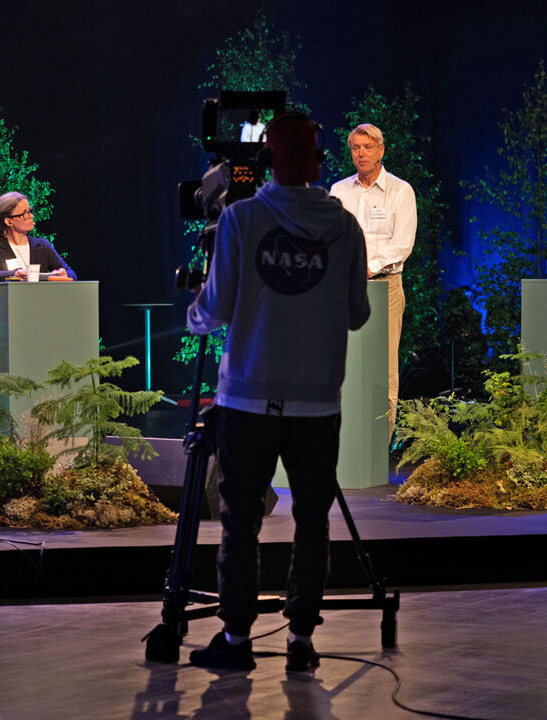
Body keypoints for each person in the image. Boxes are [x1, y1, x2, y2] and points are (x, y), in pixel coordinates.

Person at [185, 113, 370, 673]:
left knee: (241, 521)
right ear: (319, 159)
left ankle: (236, 640)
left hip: (247, 400)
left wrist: (193, 314)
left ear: (267, 159)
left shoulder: (240, 219)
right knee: (312, 520)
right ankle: (301, 642)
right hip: (318, 403)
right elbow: (358, 314)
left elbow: (215, 309)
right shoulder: (345, 228)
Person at [328, 123, 416, 436]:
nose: (361, 153)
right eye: (356, 148)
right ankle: (342, 442)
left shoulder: (401, 191)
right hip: (342, 290)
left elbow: (403, 244)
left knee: (384, 367)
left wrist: (367, 266)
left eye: (367, 147)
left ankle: (379, 443)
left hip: (385, 287)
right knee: (341, 362)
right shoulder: (339, 191)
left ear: (381, 151)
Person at [0, 191, 75, 286]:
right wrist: (13, 274)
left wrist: (64, 274)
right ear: (9, 221)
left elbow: (71, 274)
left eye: (30, 211)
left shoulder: (42, 246)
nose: (31, 216)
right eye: (25, 213)